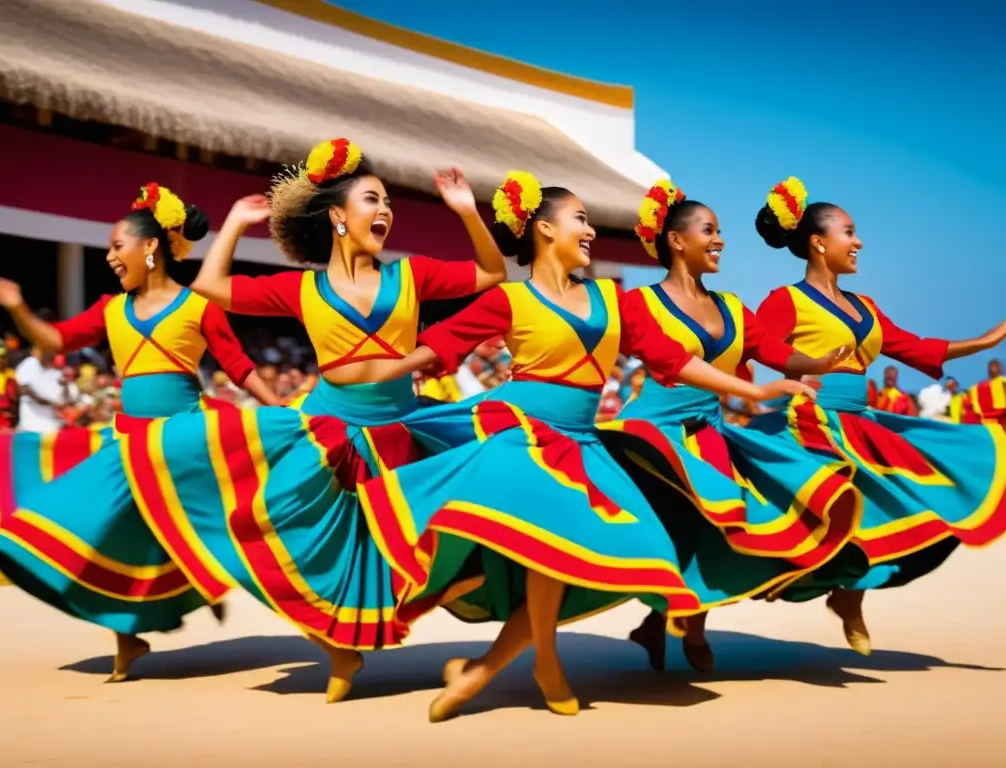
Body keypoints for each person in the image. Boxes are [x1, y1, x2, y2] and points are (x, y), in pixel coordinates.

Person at [354, 172, 816, 721]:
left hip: (582, 444)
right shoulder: (511, 299)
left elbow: (673, 360)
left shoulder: (613, 299)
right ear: (545, 229)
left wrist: (752, 387)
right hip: (516, 434)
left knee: (604, 550)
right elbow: (441, 345)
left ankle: (517, 663)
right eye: (581, 219)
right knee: (553, 546)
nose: (592, 230)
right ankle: (520, 663)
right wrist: (385, 369)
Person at [115, 139, 508, 704]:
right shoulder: (303, 289)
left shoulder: (414, 275)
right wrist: (232, 224)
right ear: (337, 218)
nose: (386, 211)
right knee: (283, 540)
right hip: (329, 432)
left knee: (430, 535)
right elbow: (210, 287)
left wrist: (467, 208)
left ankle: (444, 597)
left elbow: (491, 272)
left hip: (406, 427)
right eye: (373, 200)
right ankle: (338, 649)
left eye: (389, 203)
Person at [0, 182, 276, 681]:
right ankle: (130, 639)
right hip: (128, 443)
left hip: (184, 440)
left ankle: (198, 588)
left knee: (201, 529)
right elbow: (56, 339)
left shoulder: (198, 306)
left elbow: (241, 368)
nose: (111, 257)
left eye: (118, 246)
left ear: (150, 247)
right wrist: (17, 306)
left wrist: (283, 411)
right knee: (109, 531)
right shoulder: (110, 309)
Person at [600, 180, 863, 674]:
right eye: (709, 230)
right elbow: (672, 361)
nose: (720, 239)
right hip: (650, 438)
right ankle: (671, 623)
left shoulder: (733, 309)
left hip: (706, 433)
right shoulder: (638, 303)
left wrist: (818, 361)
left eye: (720, 231)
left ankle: (672, 626)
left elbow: (773, 351)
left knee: (721, 525)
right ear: (676, 241)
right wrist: (755, 392)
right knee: (670, 531)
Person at [748, 176, 1006, 654]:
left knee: (925, 499)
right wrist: (764, 385)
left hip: (862, 423)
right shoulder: (787, 300)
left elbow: (915, 347)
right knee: (815, 518)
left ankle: (849, 596)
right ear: (819, 243)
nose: (859, 241)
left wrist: (989, 340)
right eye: (849, 232)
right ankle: (688, 615)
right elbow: (755, 344)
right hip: (809, 426)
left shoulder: (865, 308)